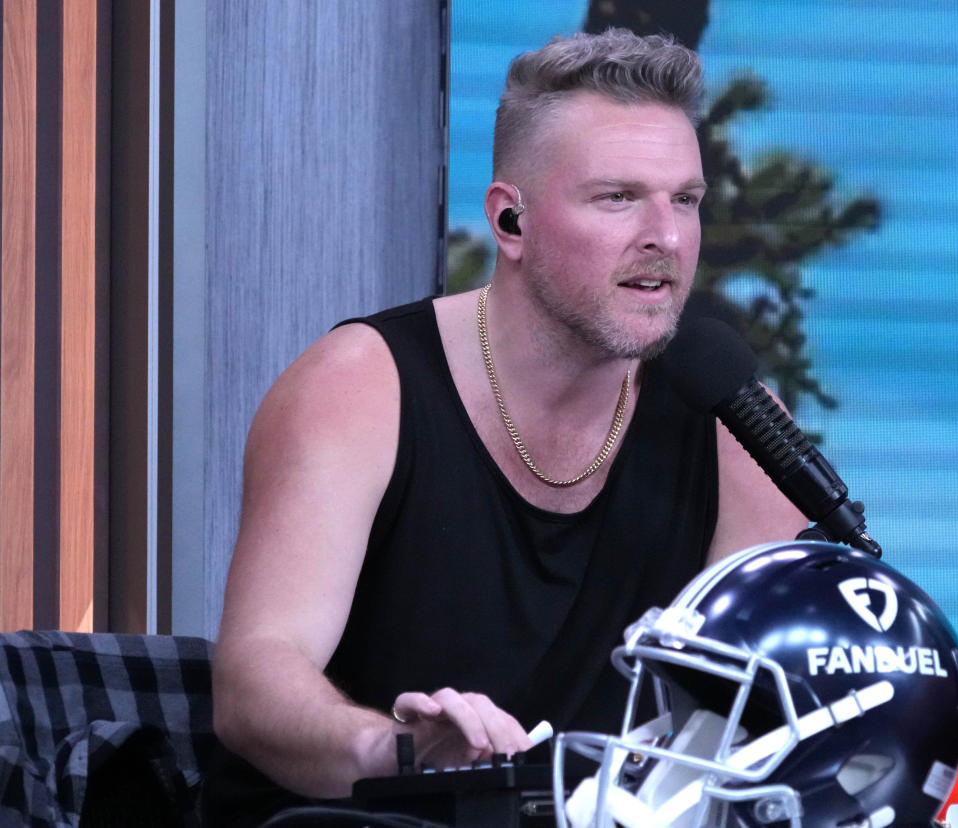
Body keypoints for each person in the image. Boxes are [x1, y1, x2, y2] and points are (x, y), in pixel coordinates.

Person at [205, 28, 806, 824]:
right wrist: (395, 751)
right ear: (510, 221)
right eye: (618, 197)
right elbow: (254, 683)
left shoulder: (737, 426)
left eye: (686, 200)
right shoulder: (358, 386)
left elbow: (748, 722)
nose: (666, 234)